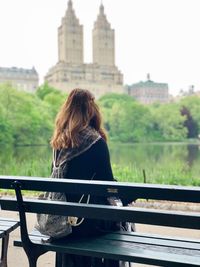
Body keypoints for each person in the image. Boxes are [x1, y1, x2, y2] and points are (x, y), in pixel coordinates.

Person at [50, 88, 119, 267]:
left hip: (63, 222)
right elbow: (108, 187)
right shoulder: (96, 143)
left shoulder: (59, 144)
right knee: (117, 221)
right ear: (91, 110)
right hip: (90, 224)